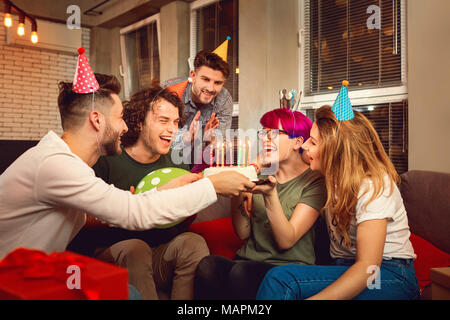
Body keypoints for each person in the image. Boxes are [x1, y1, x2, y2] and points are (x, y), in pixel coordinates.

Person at [0, 73, 255, 265]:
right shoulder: (57, 165)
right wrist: (212, 185)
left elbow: (114, 208)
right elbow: (132, 213)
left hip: (29, 274)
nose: (125, 126)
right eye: (120, 117)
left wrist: (162, 190)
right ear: (97, 120)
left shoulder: (64, 162)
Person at [256, 96, 420, 300]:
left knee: (282, 279)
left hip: (385, 273)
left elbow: (367, 268)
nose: (305, 146)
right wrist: (252, 177)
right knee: (278, 277)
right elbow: (289, 161)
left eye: (313, 142)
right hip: (341, 266)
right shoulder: (328, 175)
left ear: (336, 150)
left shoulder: (372, 186)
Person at [68, 84, 209, 300]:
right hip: (114, 255)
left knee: (193, 242)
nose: (172, 129)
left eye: (176, 122)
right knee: (136, 248)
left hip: (159, 254)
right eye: (163, 121)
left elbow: (181, 223)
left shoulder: (177, 163)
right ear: (139, 122)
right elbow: (79, 219)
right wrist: (126, 206)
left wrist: (190, 206)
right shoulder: (107, 160)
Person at [194, 108, 327, 300]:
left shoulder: (314, 182)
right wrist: (237, 188)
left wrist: (270, 194)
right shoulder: (259, 176)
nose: (265, 139)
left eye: (272, 133)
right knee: (208, 266)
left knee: (241, 273)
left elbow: (286, 241)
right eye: (263, 133)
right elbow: (243, 232)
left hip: (287, 269)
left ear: (297, 141)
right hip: (246, 261)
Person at [163, 50, 233, 163]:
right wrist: (186, 138)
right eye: (205, 79)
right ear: (193, 75)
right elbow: (157, 137)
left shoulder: (223, 99)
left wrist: (209, 141)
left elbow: (217, 150)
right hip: (167, 161)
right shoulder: (171, 90)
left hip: (199, 164)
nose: (210, 88)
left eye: (217, 83)